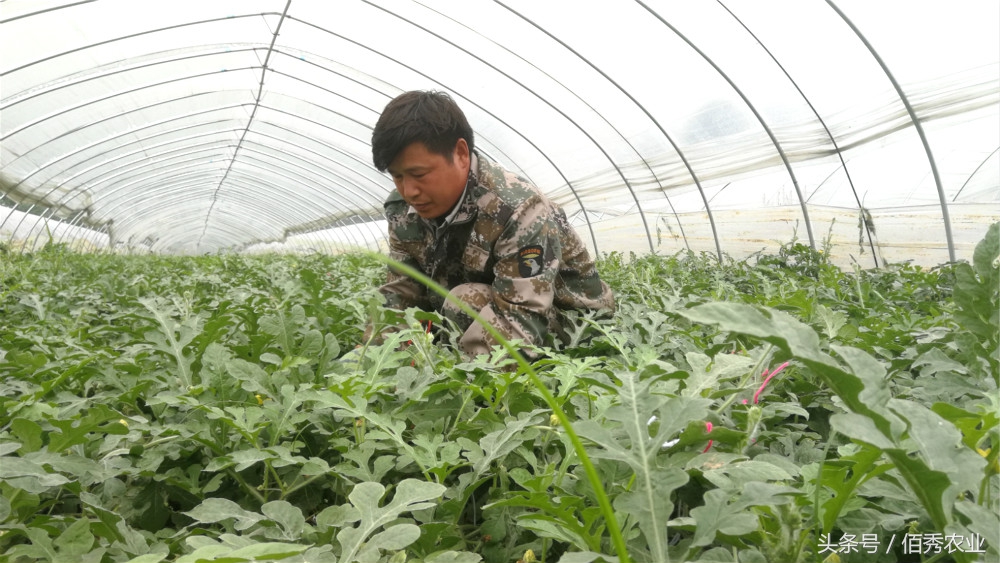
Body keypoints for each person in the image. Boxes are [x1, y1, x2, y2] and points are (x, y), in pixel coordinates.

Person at [369, 90, 614, 358]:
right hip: (493, 304)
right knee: (440, 309)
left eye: (418, 174)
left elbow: (524, 316)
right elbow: (401, 294)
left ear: (461, 154)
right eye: (397, 176)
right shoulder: (403, 209)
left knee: (464, 302)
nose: (409, 191)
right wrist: (372, 361)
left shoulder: (517, 207)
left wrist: (458, 388)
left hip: (573, 321)